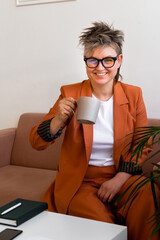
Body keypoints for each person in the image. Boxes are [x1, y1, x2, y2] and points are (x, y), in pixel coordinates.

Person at [30, 22, 159, 240]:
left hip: (123, 176)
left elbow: (142, 144)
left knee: (148, 197)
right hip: (81, 181)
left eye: (107, 60)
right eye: (92, 60)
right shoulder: (69, 92)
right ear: (86, 62)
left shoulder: (134, 95)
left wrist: (119, 179)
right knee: (104, 229)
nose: (99, 68)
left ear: (119, 60)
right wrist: (59, 119)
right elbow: (36, 142)